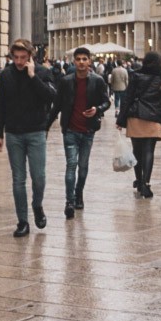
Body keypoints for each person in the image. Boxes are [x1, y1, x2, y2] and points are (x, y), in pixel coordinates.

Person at [0, 39, 58, 238]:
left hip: (36, 131)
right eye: (16, 57)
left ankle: (37, 205)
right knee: (18, 179)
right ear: (11, 56)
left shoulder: (42, 72)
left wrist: (33, 77)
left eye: (23, 58)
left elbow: (51, 96)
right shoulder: (6, 75)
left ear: (30, 56)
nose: (19, 62)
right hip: (14, 133)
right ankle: (22, 221)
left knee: (39, 177)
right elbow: (0, 105)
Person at [54, 48, 110, 220]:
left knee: (83, 167)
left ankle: (79, 193)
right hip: (70, 129)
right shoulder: (66, 81)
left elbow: (106, 101)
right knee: (71, 165)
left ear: (89, 61)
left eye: (84, 59)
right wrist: (45, 126)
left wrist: (97, 109)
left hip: (88, 130)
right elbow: (57, 105)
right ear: (73, 61)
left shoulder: (98, 81)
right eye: (78, 59)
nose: (81, 62)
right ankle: (69, 202)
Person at [117, 52, 161, 199]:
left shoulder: (136, 75)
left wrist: (121, 119)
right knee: (149, 151)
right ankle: (146, 183)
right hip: (154, 117)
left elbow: (128, 98)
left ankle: (139, 181)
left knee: (137, 151)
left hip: (136, 116)